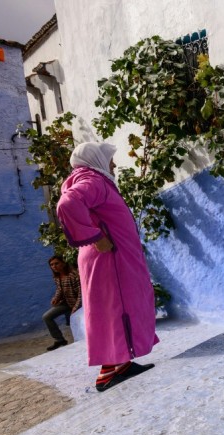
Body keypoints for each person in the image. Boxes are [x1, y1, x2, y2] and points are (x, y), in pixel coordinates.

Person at [56, 142, 158, 392]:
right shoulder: (93, 181)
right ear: (95, 159)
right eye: (109, 159)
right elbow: (68, 205)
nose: (113, 164)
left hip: (107, 259)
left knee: (114, 307)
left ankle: (121, 364)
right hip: (109, 259)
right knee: (116, 308)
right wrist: (98, 238)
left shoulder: (90, 179)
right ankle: (107, 373)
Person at [43, 256, 81, 351]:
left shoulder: (73, 275)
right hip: (66, 303)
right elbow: (60, 290)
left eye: (56, 263)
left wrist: (76, 308)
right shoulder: (57, 276)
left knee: (74, 321)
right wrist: (56, 298)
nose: (54, 266)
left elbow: (81, 294)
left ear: (63, 263)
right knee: (47, 317)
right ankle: (60, 340)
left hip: (78, 304)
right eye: (51, 265)